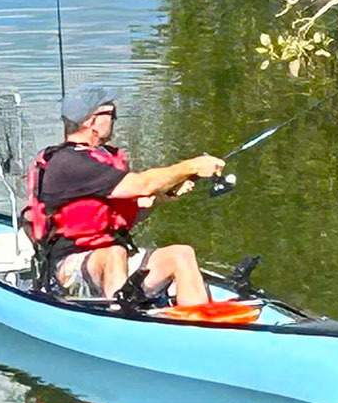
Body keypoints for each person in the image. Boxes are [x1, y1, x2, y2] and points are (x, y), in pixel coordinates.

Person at [25, 83, 224, 305]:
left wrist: (161, 197)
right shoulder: (68, 163)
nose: (114, 119)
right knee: (113, 253)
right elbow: (144, 184)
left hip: (110, 258)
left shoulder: (99, 158)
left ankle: (198, 320)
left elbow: (128, 215)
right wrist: (192, 166)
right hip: (68, 266)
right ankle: (120, 315)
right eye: (111, 113)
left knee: (181, 254)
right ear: (92, 122)